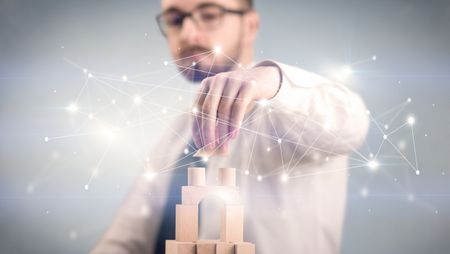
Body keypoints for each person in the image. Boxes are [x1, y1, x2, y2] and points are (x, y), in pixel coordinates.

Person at [91, 0, 369, 253]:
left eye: (209, 14)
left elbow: (350, 123)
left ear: (250, 26)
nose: (188, 34)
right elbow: (126, 241)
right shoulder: (175, 138)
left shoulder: (290, 108)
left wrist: (271, 81)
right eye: (175, 20)